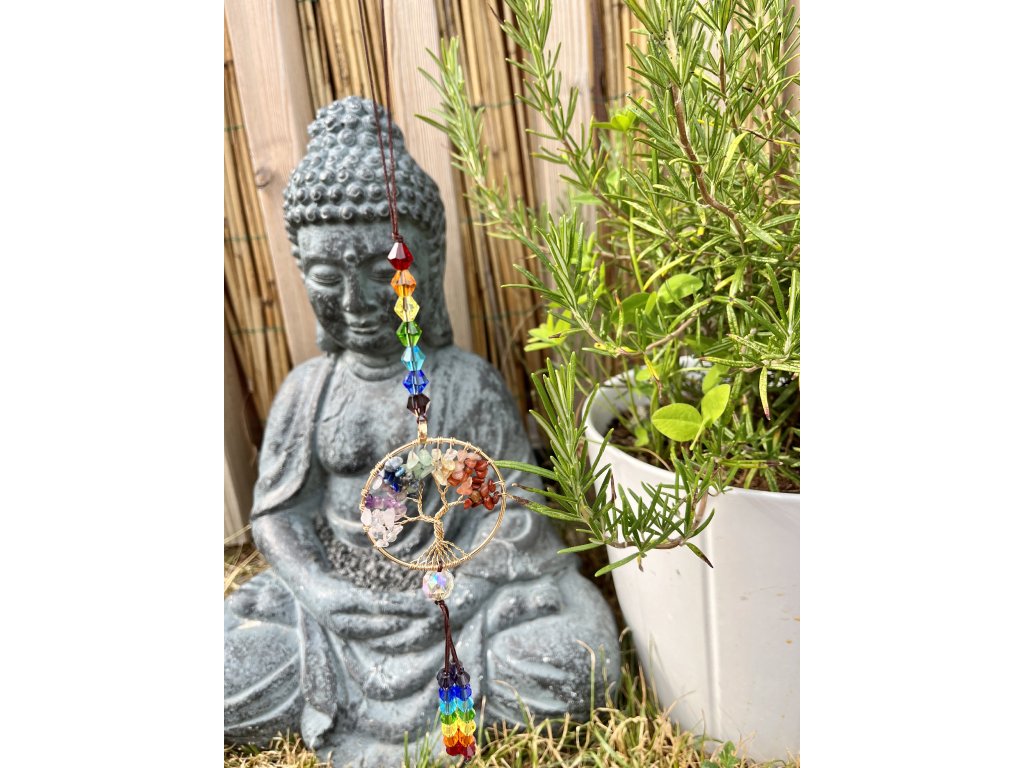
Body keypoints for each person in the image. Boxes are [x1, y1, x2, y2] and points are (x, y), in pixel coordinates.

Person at [224, 97, 619, 767]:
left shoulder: (466, 382)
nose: (355, 301)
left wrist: (461, 590)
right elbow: (277, 517)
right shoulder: (308, 391)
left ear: (427, 270)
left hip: (461, 598)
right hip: (337, 610)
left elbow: (517, 507)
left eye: (386, 275)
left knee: (578, 662)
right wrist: (323, 592)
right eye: (326, 276)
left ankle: (456, 701)